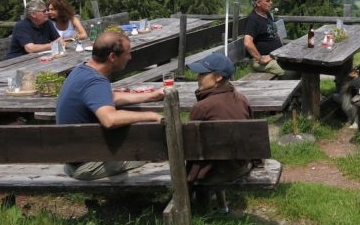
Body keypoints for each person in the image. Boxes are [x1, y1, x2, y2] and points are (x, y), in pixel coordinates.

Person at [56, 31, 164, 180]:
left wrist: (151, 96)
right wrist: (152, 116)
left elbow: (108, 98)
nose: (130, 57)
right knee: (154, 150)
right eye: (127, 53)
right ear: (112, 57)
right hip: (87, 165)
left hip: (73, 157)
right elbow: (110, 119)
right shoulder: (95, 82)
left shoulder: (82, 70)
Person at [186, 52, 253, 187]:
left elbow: (189, 148)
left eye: (202, 74)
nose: (198, 78)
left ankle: (197, 202)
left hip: (213, 173)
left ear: (218, 77)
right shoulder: (241, 99)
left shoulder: (202, 107)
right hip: (241, 167)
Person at [243, 0, 285, 77]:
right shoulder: (252, 19)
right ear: (258, 3)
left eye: (271, 0)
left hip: (274, 56)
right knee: (287, 71)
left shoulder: (267, 14)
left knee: (298, 67)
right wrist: (260, 58)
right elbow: (247, 42)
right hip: (262, 60)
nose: (271, 3)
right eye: (268, 1)